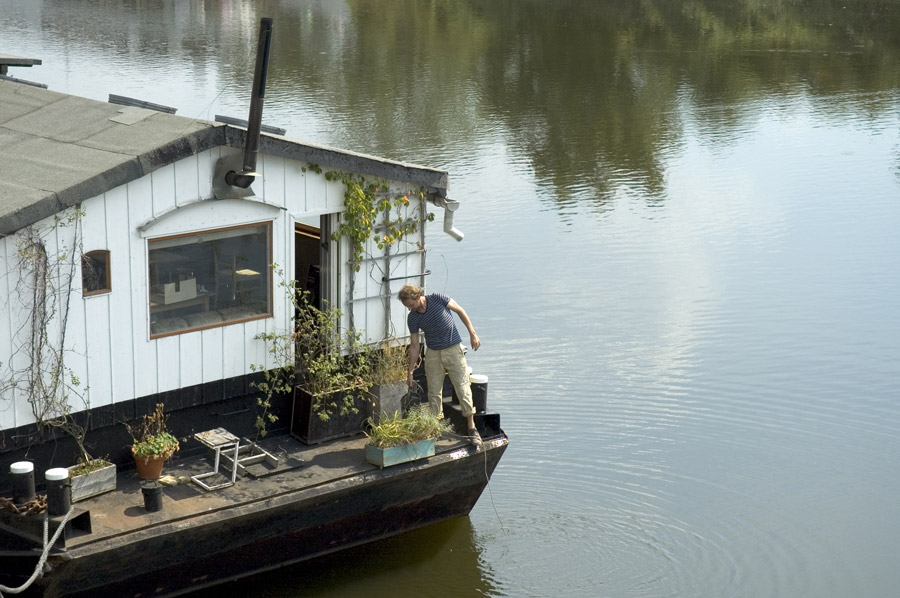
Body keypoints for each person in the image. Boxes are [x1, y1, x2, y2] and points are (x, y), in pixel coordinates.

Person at [398, 284, 483, 449]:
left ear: (417, 296)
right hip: (433, 354)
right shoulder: (413, 318)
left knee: (462, 388)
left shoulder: (438, 299)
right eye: (406, 306)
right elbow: (415, 346)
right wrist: (409, 371)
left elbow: (460, 311)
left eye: (410, 304)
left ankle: (472, 428)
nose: (409, 308)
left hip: (453, 349)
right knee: (434, 393)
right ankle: (435, 429)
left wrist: (473, 333)